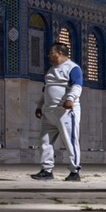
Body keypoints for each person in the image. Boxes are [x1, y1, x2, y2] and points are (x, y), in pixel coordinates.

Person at [30, 42, 83, 182]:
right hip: (49, 112)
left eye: (51, 52)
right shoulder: (51, 70)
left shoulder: (73, 68)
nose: (49, 55)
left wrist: (70, 99)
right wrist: (40, 105)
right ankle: (47, 170)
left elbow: (77, 86)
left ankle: (74, 171)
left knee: (70, 142)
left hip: (65, 112)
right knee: (44, 141)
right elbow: (46, 89)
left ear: (59, 53)